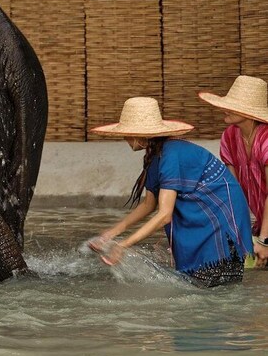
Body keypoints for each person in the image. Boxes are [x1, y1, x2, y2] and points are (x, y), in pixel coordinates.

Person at [88, 97, 253, 287]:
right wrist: (109, 235)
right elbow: (148, 205)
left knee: (212, 285)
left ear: (140, 135)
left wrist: (122, 246)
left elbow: (164, 215)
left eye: (127, 133)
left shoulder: (171, 154)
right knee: (201, 286)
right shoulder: (155, 156)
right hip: (206, 217)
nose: (124, 138)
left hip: (219, 220)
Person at [198, 75, 268, 266]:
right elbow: (232, 191)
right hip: (259, 223)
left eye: (232, 105)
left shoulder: (266, 139)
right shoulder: (229, 137)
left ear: (248, 112)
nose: (223, 108)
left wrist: (264, 240)